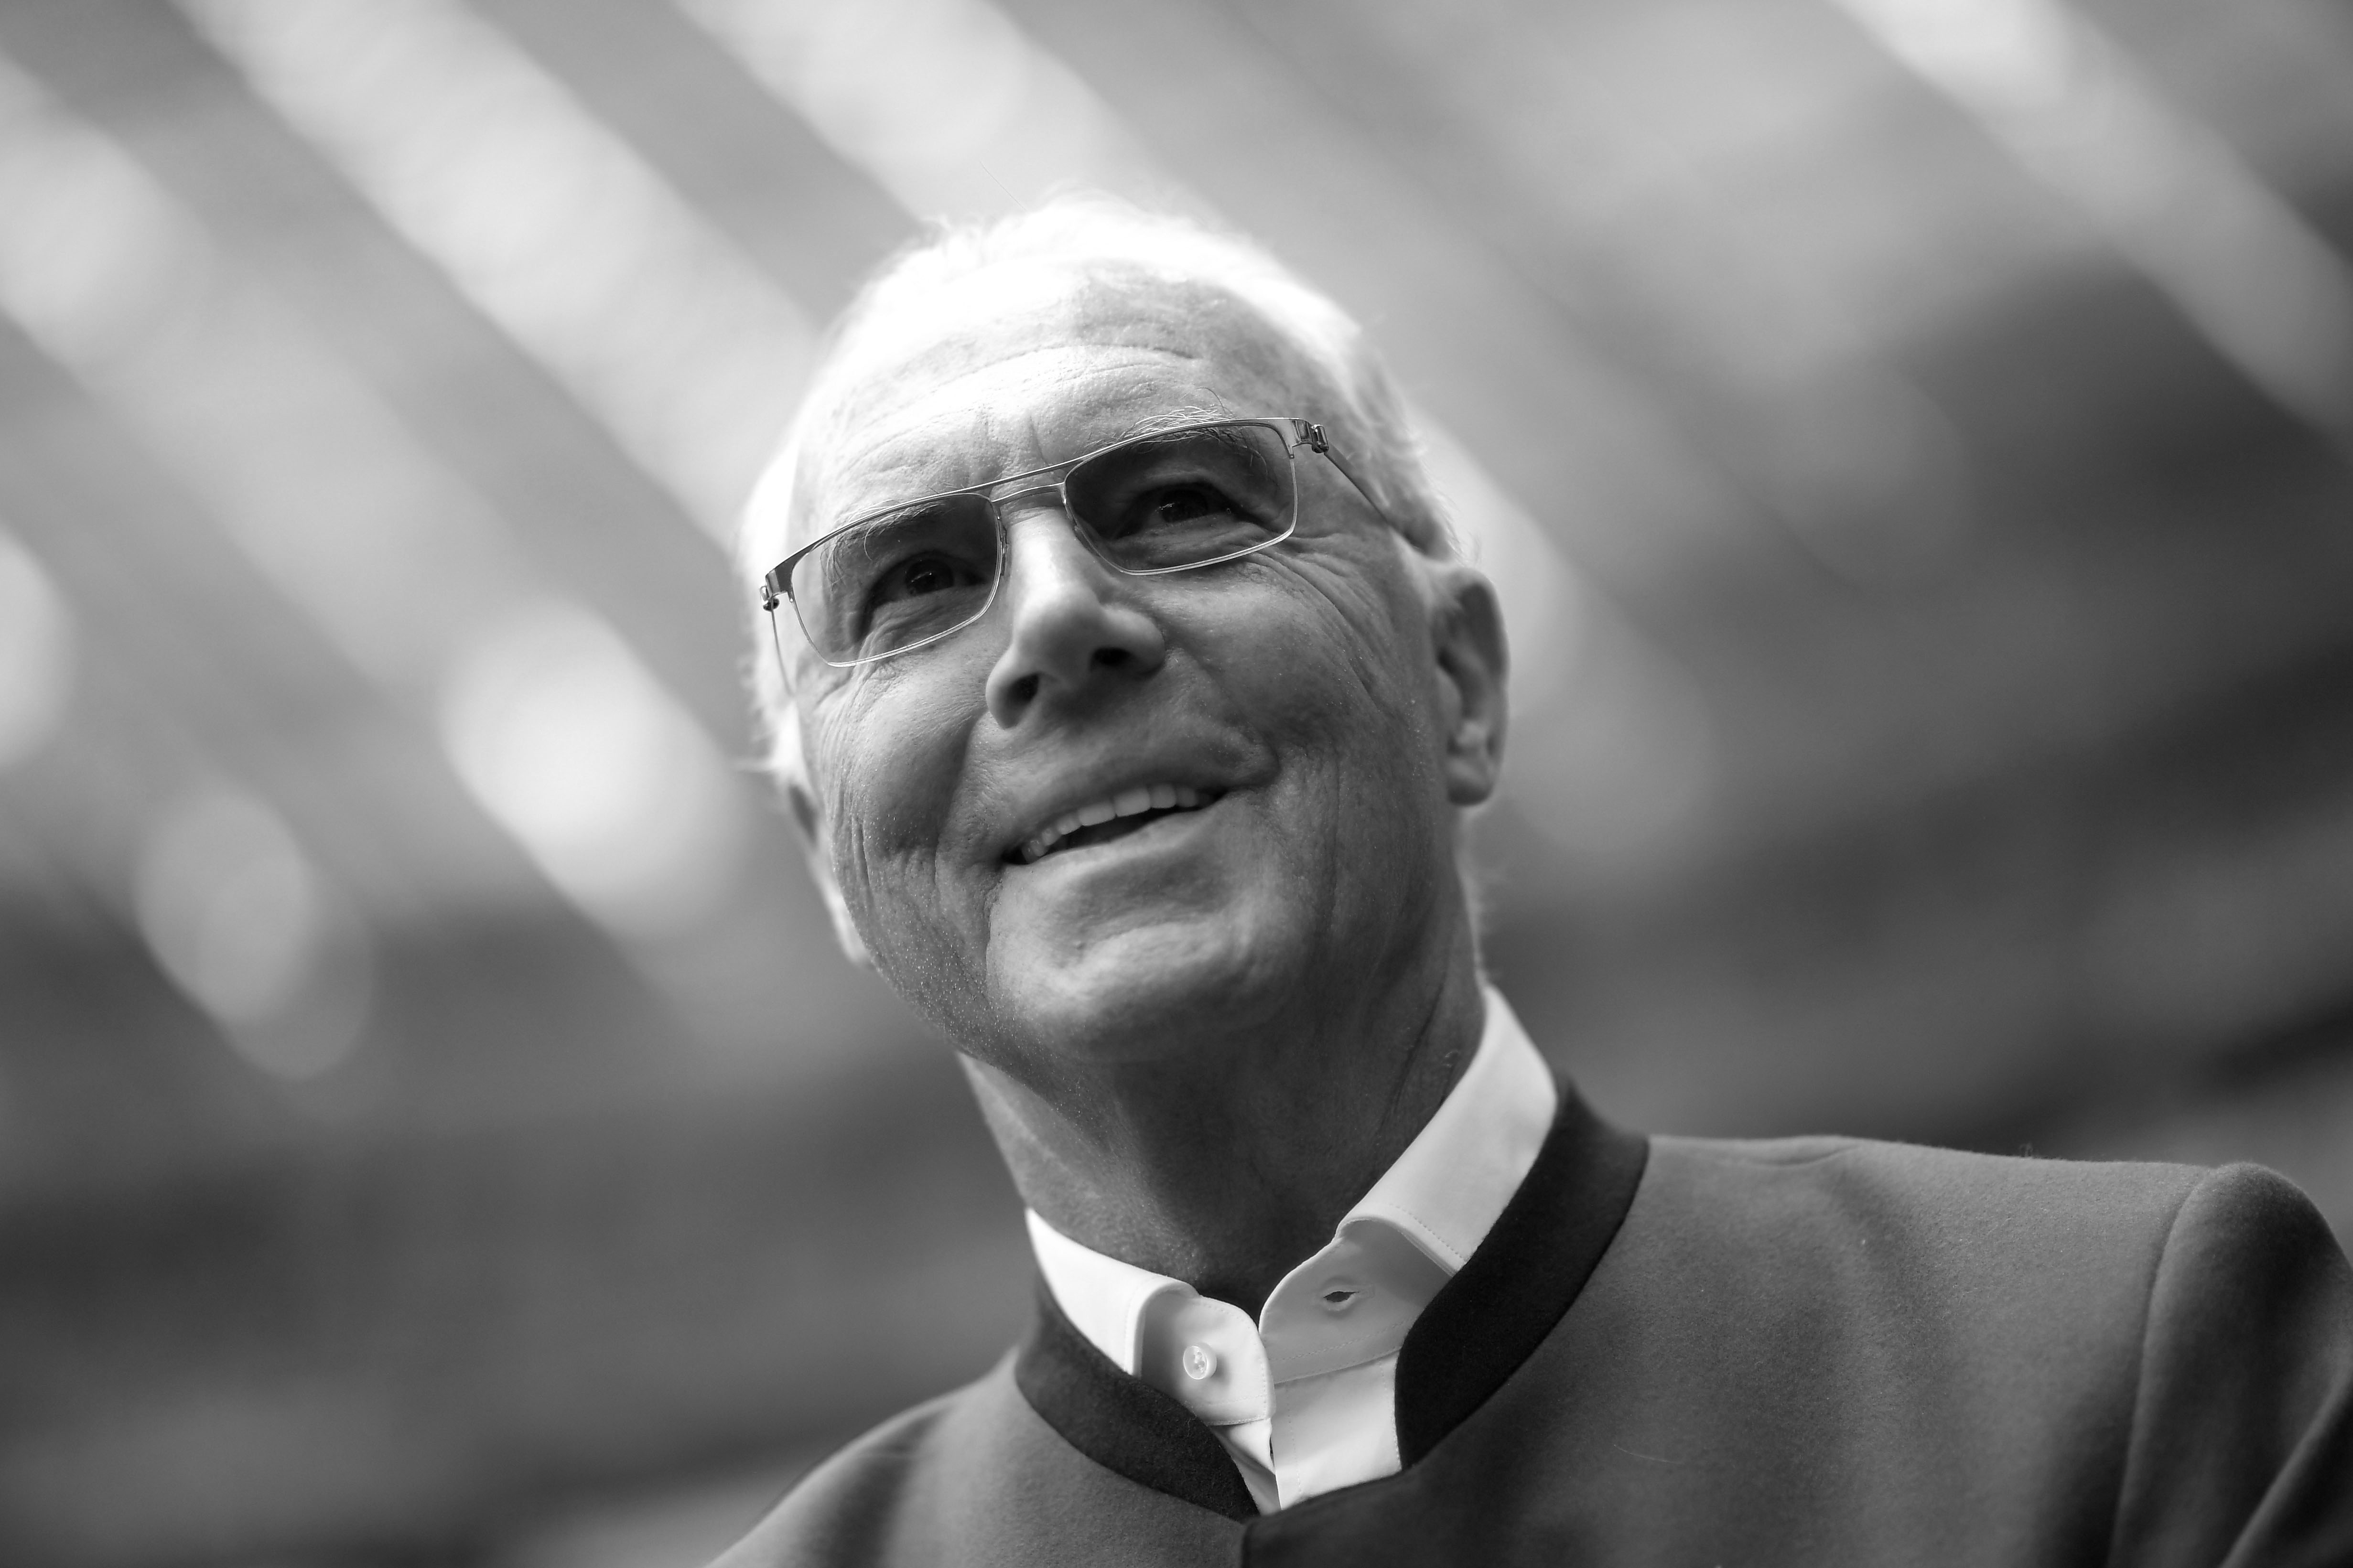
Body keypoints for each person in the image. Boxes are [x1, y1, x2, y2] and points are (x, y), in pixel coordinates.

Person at [715, 197, 2353, 1567]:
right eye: (917, 579)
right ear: (834, 863)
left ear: (1464, 686)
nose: (1056, 620)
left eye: (1184, 502)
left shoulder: (2129, 1360)